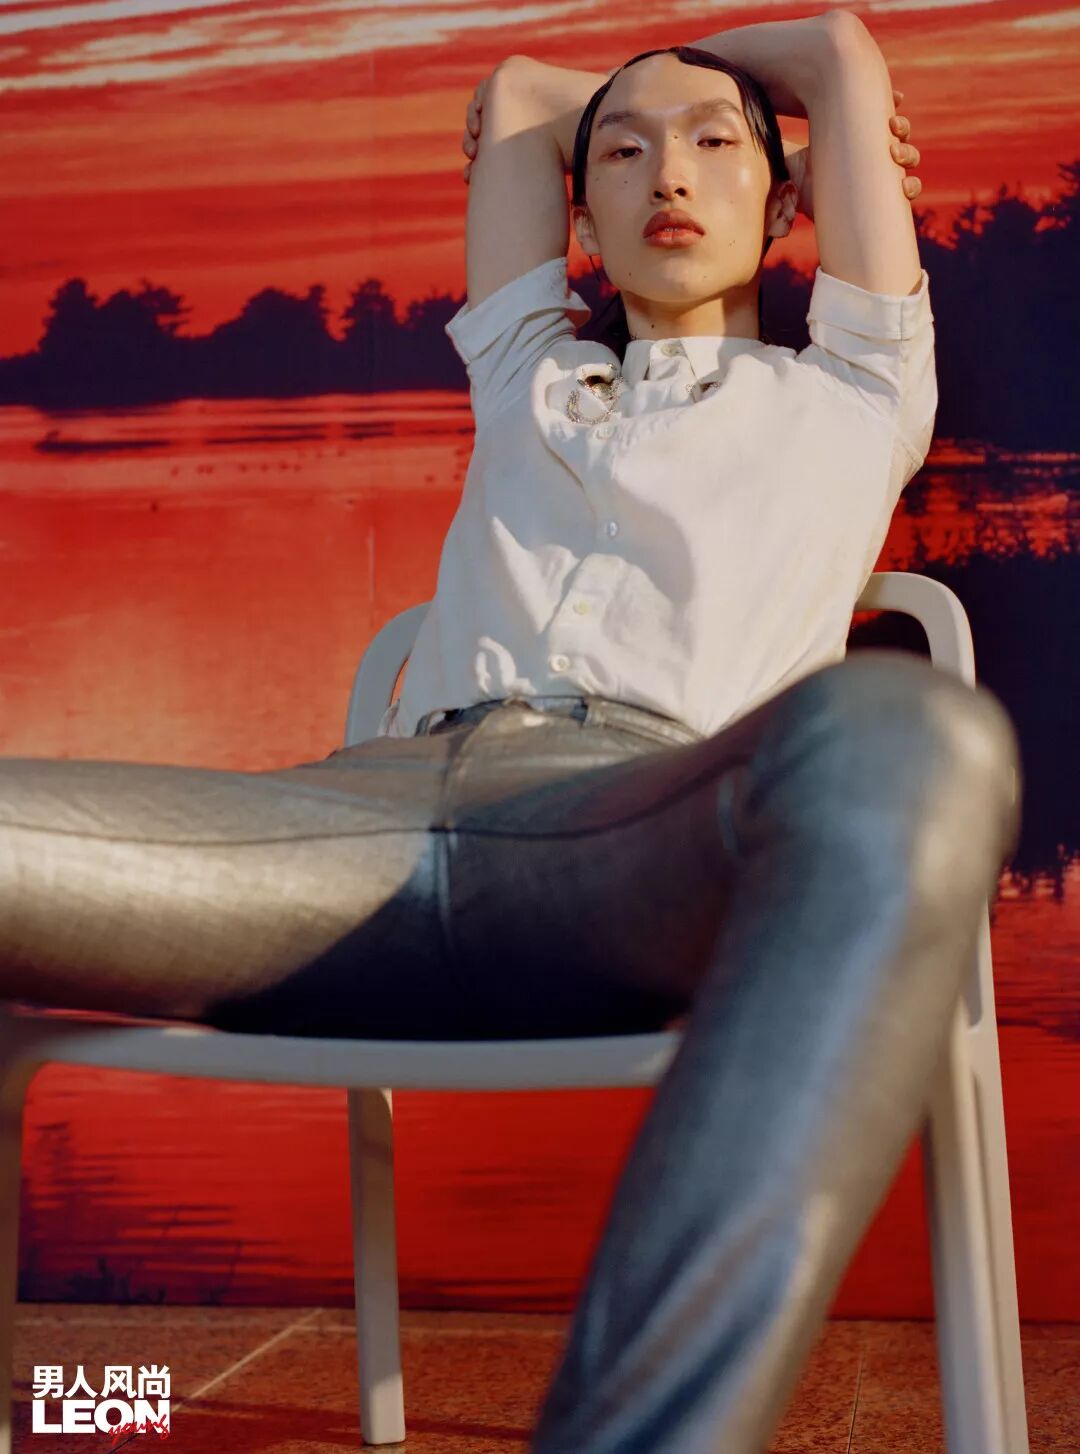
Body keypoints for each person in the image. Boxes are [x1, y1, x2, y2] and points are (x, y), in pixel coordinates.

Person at [0, 10, 1021, 1454]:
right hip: (352, 835)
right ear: (580, 217)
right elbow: (520, 93)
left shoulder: (857, 391)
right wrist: (646, 104)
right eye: (625, 156)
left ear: (790, 202)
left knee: (911, 734)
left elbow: (842, 52)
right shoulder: (528, 373)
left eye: (714, 146)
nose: (671, 174)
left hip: (628, 832)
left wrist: (733, 91)